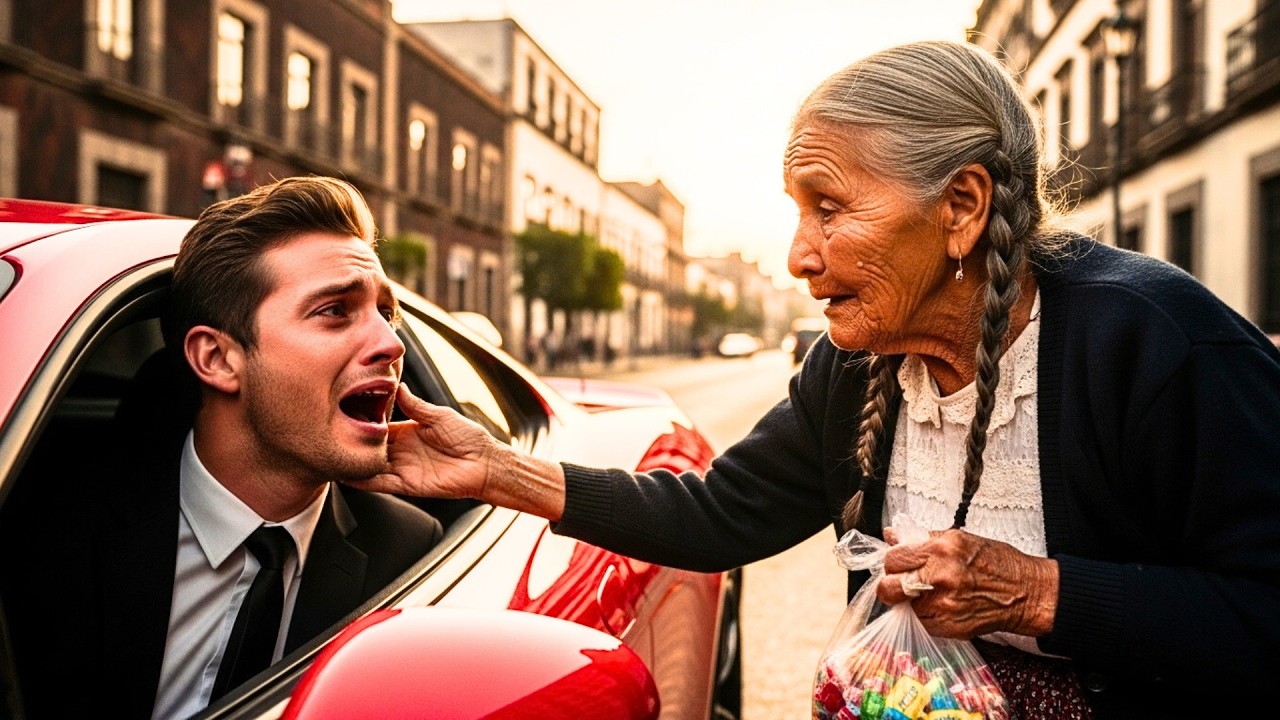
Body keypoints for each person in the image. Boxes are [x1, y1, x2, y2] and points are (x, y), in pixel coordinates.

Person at [351, 41, 1280, 718]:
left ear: (961, 207)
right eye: (797, 212)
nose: (799, 255)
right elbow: (717, 515)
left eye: (829, 209)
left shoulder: (1156, 346)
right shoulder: (853, 365)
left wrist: (1039, 592)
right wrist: (495, 469)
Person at [3, 177, 443, 719]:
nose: (392, 343)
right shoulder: (52, 528)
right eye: (335, 311)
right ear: (217, 359)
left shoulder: (406, 548)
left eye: (386, 314)